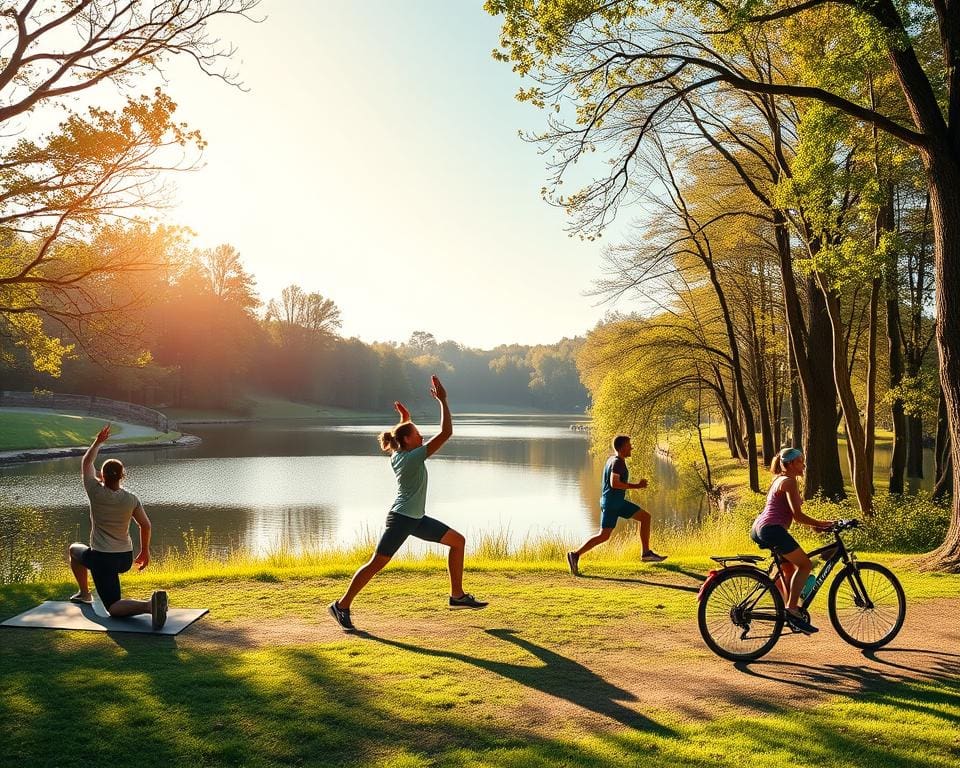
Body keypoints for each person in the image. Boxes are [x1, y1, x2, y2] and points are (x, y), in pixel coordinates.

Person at [328, 375, 487, 632]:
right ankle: (341, 605)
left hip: (415, 519)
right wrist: (443, 401)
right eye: (417, 433)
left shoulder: (398, 453)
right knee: (376, 564)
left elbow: (399, 434)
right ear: (409, 441)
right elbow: (446, 432)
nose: (421, 435)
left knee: (457, 542)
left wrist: (405, 417)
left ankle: (457, 595)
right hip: (402, 519)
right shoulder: (413, 458)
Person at [68, 424, 167, 630]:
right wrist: (145, 552)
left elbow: (87, 462)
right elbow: (145, 525)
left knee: (113, 607)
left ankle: (150, 605)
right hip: (124, 558)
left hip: (103, 559)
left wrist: (98, 442)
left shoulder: (94, 490)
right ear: (122, 476)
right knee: (81, 552)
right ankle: (85, 594)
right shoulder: (131, 499)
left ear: (102, 476)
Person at [750, 447, 832, 635]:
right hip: (772, 530)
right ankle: (792, 610)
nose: (803, 465)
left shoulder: (779, 479)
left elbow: (790, 513)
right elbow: (797, 515)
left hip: (761, 528)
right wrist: (822, 523)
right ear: (790, 464)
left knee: (788, 569)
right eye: (800, 461)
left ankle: (789, 613)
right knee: (805, 565)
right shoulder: (789, 482)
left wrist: (815, 525)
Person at [566, 434, 667, 576]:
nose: (631, 447)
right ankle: (575, 555)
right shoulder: (618, 462)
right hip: (613, 503)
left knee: (643, 518)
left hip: (614, 502)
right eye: (629, 445)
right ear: (622, 447)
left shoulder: (613, 460)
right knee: (605, 535)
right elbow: (615, 483)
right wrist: (637, 486)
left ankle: (646, 553)